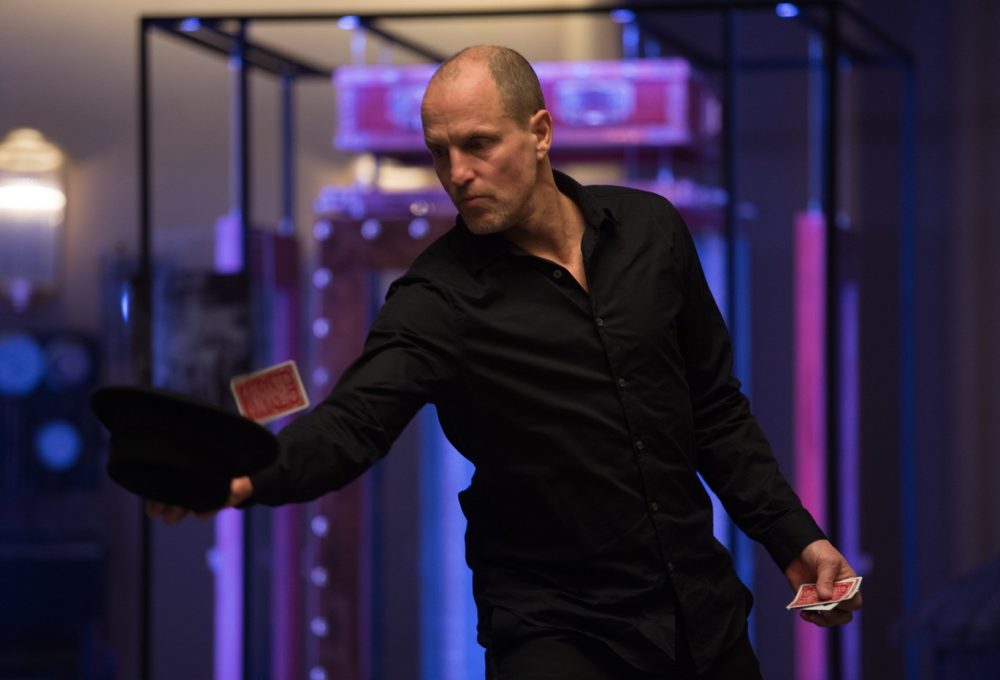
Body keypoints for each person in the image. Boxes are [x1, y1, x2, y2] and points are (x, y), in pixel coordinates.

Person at [148, 45, 862, 678]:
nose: (457, 173)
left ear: (540, 132)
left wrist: (794, 538)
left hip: (699, 617)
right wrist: (242, 477)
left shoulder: (651, 229)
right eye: (440, 152)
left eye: (479, 144)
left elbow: (715, 411)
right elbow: (353, 423)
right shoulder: (436, 298)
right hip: (555, 633)